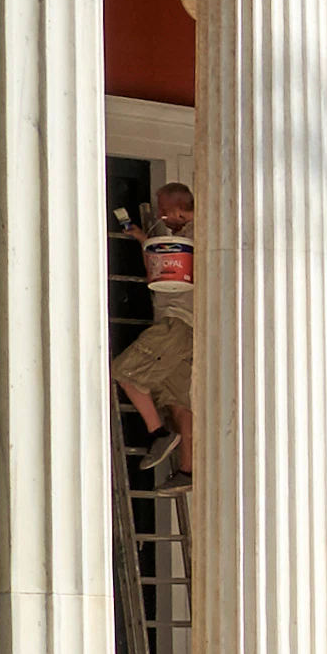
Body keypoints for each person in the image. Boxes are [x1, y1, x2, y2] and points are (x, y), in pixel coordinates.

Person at [112, 181, 197, 470]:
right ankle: (187, 469)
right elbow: (165, 265)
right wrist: (142, 239)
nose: (161, 216)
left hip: (178, 323)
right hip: (181, 327)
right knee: (177, 401)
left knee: (125, 371)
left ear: (177, 209)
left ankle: (159, 433)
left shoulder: (201, 235)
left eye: (163, 210)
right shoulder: (182, 236)